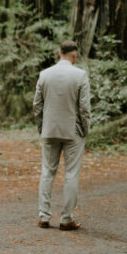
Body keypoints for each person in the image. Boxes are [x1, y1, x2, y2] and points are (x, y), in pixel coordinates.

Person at [32, 40, 91, 231]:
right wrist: (85, 130)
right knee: (71, 174)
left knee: (47, 172)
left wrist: (42, 128)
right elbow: (84, 108)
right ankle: (66, 219)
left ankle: (43, 216)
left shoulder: (44, 75)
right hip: (73, 131)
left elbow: (37, 106)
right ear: (74, 55)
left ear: (59, 53)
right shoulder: (80, 75)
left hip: (49, 130)